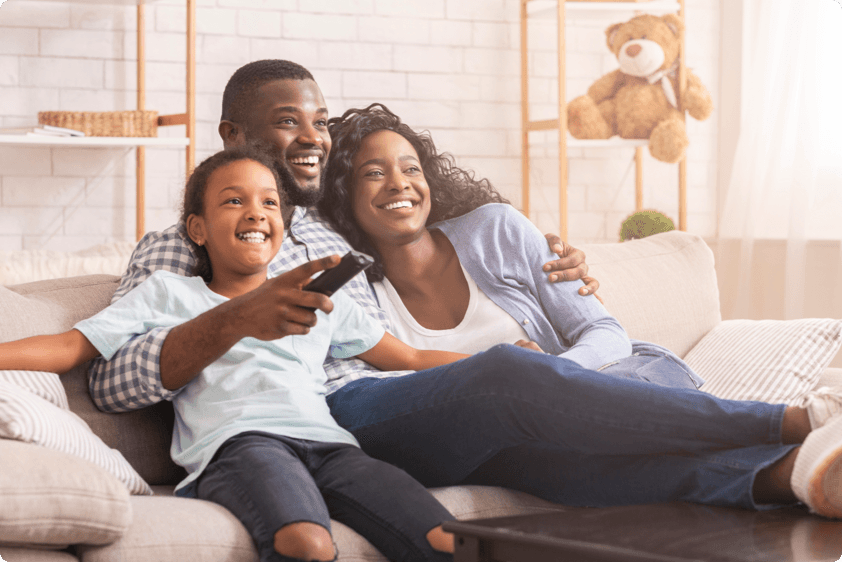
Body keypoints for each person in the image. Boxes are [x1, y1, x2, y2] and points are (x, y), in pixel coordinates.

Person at [316, 102, 842, 518]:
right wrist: (523, 375)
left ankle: (798, 475)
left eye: (411, 167)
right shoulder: (355, 288)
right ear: (344, 193)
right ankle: (798, 422)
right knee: (528, 412)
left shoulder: (495, 230)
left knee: (576, 449)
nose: (399, 183)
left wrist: (551, 375)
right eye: (373, 173)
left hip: (588, 399)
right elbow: (382, 391)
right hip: (492, 441)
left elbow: (604, 331)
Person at [1, 146, 467, 562]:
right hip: (239, 447)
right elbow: (69, 346)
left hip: (333, 447)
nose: (256, 213)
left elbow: (409, 358)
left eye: (269, 202)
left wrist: (508, 354)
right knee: (308, 545)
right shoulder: (169, 293)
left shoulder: (316, 298)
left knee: (447, 540)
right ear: (197, 229)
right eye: (233, 200)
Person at [87, 59, 592, 413]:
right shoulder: (182, 244)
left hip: (406, 393)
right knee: (526, 391)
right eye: (288, 122)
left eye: (321, 123)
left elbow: (413, 225)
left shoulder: (338, 229)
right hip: (332, 412)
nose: (313, 138)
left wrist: (544, 256)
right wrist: (236, 318)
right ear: (232, 135)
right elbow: (108, 382)